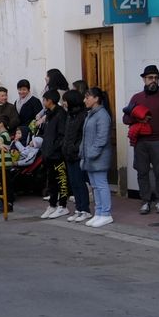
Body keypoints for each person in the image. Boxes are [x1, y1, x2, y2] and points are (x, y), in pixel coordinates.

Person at [122, 65, 159, 214]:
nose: (154, 80)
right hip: (141, 141)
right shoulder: (136, 98)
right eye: (150, 78)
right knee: (142, 172)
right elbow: (125, 118)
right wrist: (138, 118)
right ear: (144, 79)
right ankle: (145, 201)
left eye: (156, 78)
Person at [79, 87, 114, 228]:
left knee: (101, 184)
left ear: (96, 99)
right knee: (94, 186)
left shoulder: (102, 115)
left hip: (98, 157)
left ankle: (106, 213)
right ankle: (98, 212)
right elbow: (85, 137)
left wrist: (91, 153)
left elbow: (102, 138)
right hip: (90, 157)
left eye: (87, 97)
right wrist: (84, 152)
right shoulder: (91, 114)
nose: (85, 100)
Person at [61, 87, 91, 222]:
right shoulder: (70, 115)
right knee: (73, 183)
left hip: (77, 155)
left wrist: (74, 148)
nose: (63, 103)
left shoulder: (83, 116)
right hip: (68, 154)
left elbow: (82, 136)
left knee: (80, 182)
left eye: (65, 100)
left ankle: (85, 210)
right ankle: (78, 209)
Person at [37, 90, 69, 219]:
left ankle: (63, 206)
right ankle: (52, 205)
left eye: (44, 100)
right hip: (48, 154)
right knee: (51, 181)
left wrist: (54, 149)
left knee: (61, 179)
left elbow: (62, 136)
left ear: (49, 101)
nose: (43, 102)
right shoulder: (49, 114)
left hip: (57, 154)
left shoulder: (60, 114)